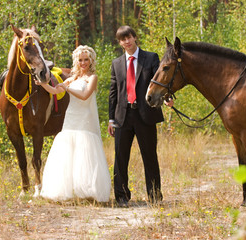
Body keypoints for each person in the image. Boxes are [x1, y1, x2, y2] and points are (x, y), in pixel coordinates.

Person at [37, 45, 111, 202]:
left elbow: (84, 95)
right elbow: (55, 91)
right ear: (76, 61)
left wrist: (67, 88)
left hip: (85, 118)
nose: (83, 63)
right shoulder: (73, 78)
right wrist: (42, 83)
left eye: (86, 60)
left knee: (86, 151)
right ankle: (68, 191)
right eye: (80, 60)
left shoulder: (92, 78)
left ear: (91, 61)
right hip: (71, 117)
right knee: (69, 151)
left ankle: (87, 191)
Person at [108, 25, 170, 207]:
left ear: (135, 38)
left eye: (129, 37)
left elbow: (160, 81)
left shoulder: (150, 58)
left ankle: (154, 196)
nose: (126, 41)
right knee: (120, 158)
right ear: (120, 43)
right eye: (122, 39)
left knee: (149, 156)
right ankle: (121, 196)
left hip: (145, 115)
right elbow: (113, 93)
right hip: (122, 116)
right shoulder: (116, 63)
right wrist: (111, 119)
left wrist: (167, 98)